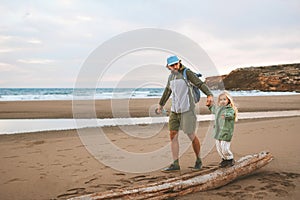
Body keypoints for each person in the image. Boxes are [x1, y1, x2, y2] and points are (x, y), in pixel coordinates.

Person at [157, 55, 214, 172]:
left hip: (188, 110)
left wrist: (209, 95)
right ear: (168, 67)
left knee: (191, 134)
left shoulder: (187, 73)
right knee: (173, 135)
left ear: (179, 63)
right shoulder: (171, 77)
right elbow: (167, 91)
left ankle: (198, 160)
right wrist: (160, 105)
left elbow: (200, 84)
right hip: (175, 111)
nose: (175, 67)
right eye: (172, 65)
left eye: (176, 64)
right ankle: (175, 164)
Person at [206, 91, 238, 167]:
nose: (222, 101)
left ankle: (230, 159)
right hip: (218, 132)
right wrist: (209, 105)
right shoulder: (218, 109)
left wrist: (226, 115)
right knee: (219, 148)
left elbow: (231, 114)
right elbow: (213, 110)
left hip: (226, 132)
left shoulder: (230, 109)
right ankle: (224, 159)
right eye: (221, 100)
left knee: (225, 148)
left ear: (228, 100)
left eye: (224, 99)